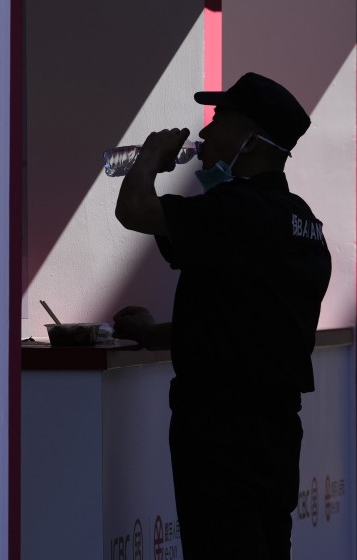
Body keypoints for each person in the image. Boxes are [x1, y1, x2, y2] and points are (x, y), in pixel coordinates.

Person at [112, 72, 331, 560]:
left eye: (218, 121)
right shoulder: (306, 226)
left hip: (221, 434)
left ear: (251, 141)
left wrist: (149, 157)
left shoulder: (239, 212)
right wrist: (151, 334)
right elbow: (246, 325)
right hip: (275, 434)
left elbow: (133, 209)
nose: (205, 133)